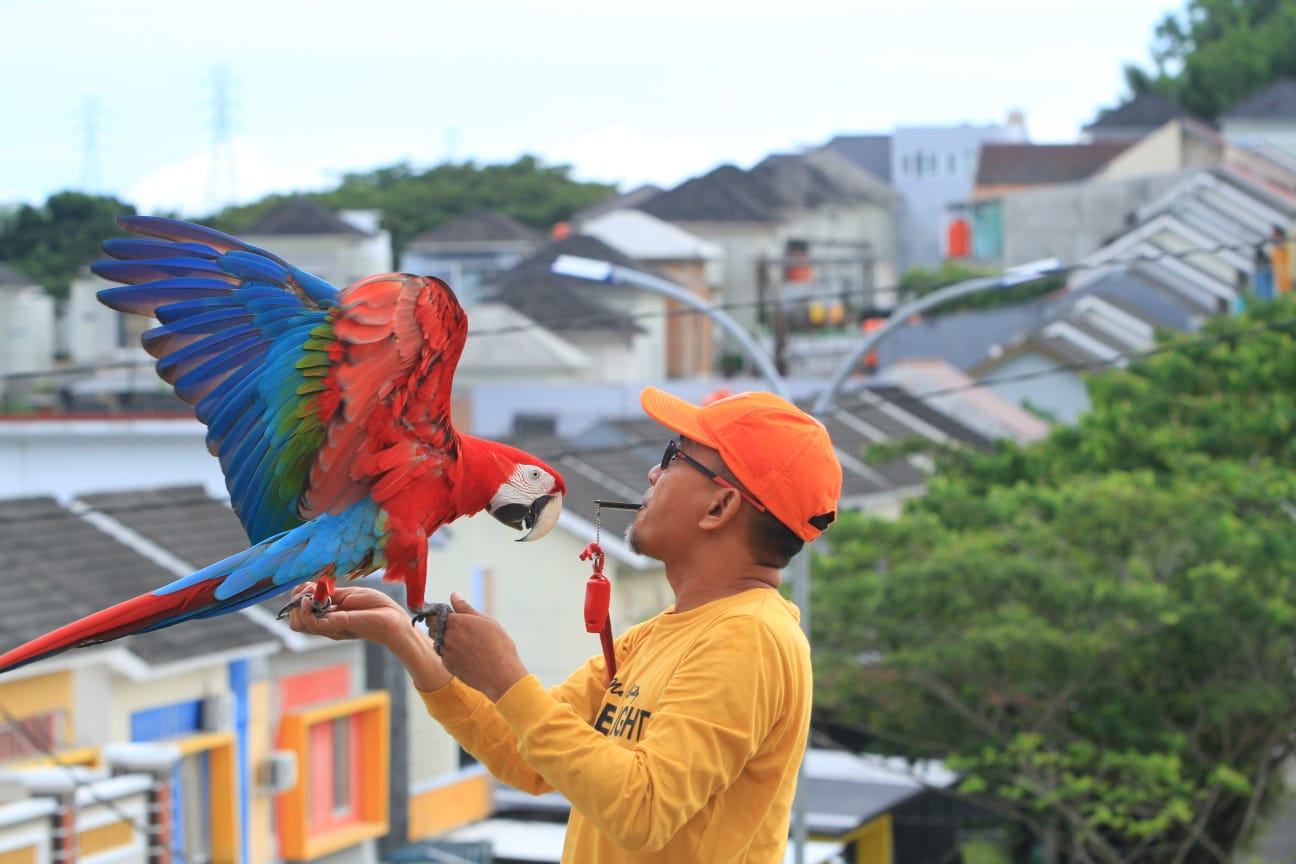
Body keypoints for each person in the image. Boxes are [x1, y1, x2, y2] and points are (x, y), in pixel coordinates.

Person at [287, 387, 843, 863]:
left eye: (675, 455)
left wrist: (506, 677)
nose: (653, 471)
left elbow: (643, 809)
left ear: (719, 508)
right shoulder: (661, 634)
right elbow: (526, 755)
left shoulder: (750, 638)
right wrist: (403, 637)